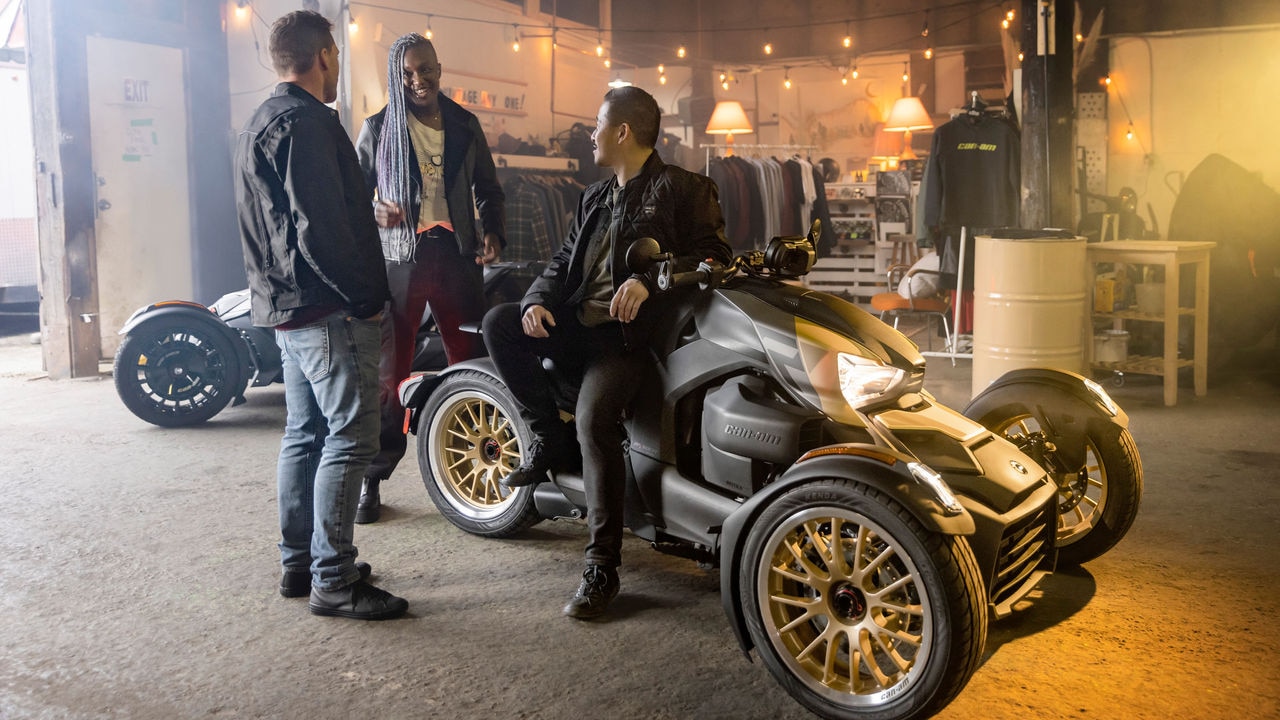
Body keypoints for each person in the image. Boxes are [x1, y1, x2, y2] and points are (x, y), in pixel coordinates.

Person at [481, 86, 730, 620]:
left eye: (597, 124)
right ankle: (547, 436)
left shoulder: (685, 187)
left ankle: (602, 567)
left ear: (622, 132)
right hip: (579, 326)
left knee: (594, 420)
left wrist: (651, 280)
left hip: (629, 338)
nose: (589, 134)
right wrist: (536, 300)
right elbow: (564, 257)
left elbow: (715, 257)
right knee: (499, 322)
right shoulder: (592, 195)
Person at [234, 10, 407, 621]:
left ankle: (300, 564)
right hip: (329, 309)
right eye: (334, 55)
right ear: (324, 55)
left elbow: (279, 226)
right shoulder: (309, 124)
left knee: (305, 435)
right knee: (350, 439)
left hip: (286, 308)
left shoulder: (261, 121)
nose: (336, 65)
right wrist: (364, 295)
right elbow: (320, 231)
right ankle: (334, 579)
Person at [354, 33, 507, 524]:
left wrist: (494, 232)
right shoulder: (377, 128)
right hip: (401, 263)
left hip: (456, 256)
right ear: (395, 77)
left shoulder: (464, 123)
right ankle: (371, 480)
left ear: (440, 67)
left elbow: (488, 189)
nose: (417, 80)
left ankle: (488, 467)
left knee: (474, 363)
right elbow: (354, 199)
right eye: (406, 73)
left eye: (426, 69)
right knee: (389, 374)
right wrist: (373, 209)